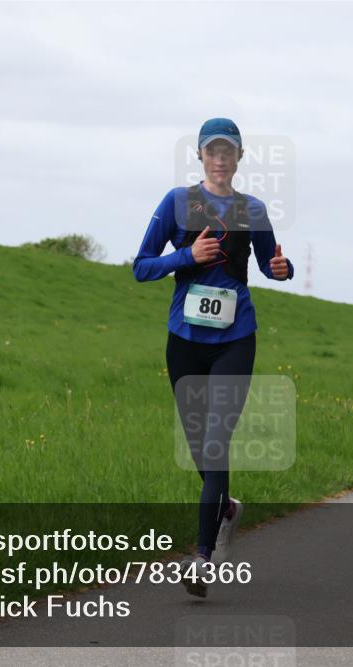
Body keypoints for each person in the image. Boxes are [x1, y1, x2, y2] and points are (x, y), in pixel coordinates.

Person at [134, 118, 293, 597]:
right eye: (212, 151)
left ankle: (202, 557)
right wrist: (187, 257)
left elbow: (269, 263)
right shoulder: (177, 203)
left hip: (235, 337)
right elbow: (142, 266)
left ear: (240, 158)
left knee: (216, 443)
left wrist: (281, 270)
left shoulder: (253, 209)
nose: (220, 159)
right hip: (184, 339)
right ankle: (224, 507)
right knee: (201, 445)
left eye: (229, 152)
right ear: (200, 156)